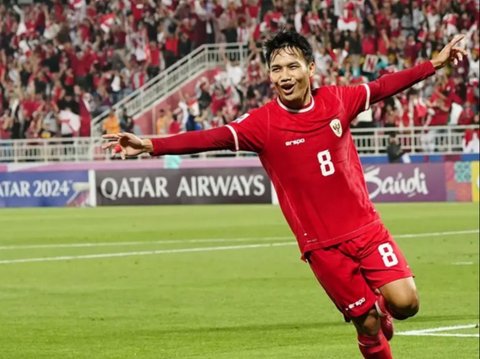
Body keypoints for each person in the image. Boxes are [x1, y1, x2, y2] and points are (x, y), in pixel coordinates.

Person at [102, 31, 467, 359]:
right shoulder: (263, 124)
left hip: (366, 230)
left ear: (310, 68)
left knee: (406, 304)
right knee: (368, 327)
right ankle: (374, 324)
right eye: (276, 69)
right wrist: (150, 144)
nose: (285, 75)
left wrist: (434, 63)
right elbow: (208, 137)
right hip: (322, 246)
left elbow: (386, 86)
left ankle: (382, 309)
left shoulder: (339, 100)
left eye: (293, 66)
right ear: (269, 75)